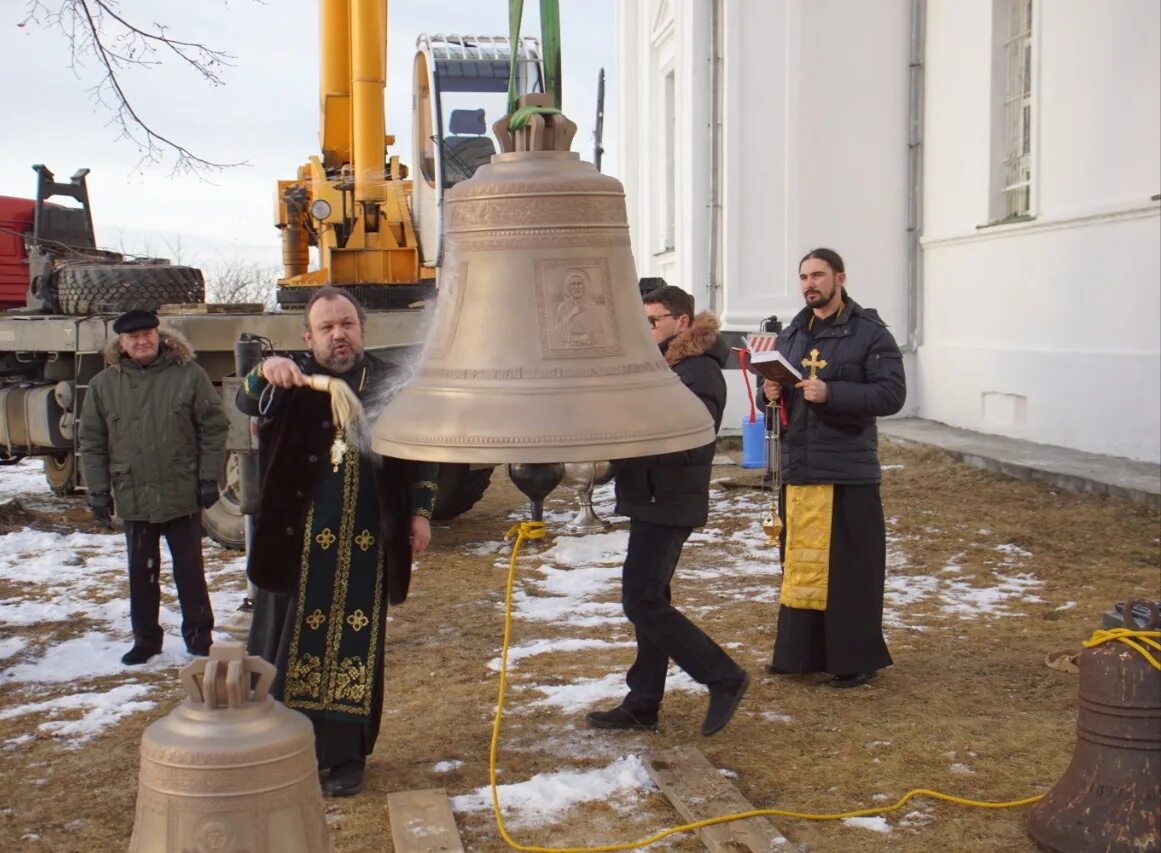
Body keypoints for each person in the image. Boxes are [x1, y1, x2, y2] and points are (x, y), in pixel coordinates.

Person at [238, 286, 437, 797]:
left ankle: (345, 757)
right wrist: (265, 370)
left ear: (362, 329)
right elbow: (245, 397)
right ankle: (285, 750)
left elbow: (423, 451)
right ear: (309, 336)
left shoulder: (392, 382)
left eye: (346, 323)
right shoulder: (292, 380)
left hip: (367, 546)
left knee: (354, 651)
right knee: (285, 648)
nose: (338, 334)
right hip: (297, 547)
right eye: (326, 327)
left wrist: (421, 512)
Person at [587, 285, 750, 736]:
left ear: (681, 322)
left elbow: (689, 438)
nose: (646, 330)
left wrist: (631, 424)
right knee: (651, 600)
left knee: (640, 601)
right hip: (653, 498)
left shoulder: (698, 373)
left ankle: (723, 676)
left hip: (669, 502)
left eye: (653, 321)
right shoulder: (666, 367)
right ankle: (643, 703)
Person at [760, 248, 906, 687]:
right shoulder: (792, 333)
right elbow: (781, 396)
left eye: (818, 275)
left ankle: (853, 658)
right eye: (803, 276)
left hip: (847, 469)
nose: (810, 283)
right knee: (801, 564)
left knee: (848, 569)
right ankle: (800, 654)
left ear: (840, 277)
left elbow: (892, 396)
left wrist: (833, 393)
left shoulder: (870, 333)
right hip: (800, 466)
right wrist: (771, 391)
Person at [79, 308, 228, 666]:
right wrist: (97, 490)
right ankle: (146, 640)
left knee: (190, 570)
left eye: (147, 334)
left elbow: (214, 427)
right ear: (122, 343)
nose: (142, 341)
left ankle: (199, 636)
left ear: (159, 336)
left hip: (181, 491)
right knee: (141, 572)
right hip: (135, 492)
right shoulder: (104, 386)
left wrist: (209, 478)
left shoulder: (189, 376)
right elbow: (92, 441)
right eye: (133, 338)